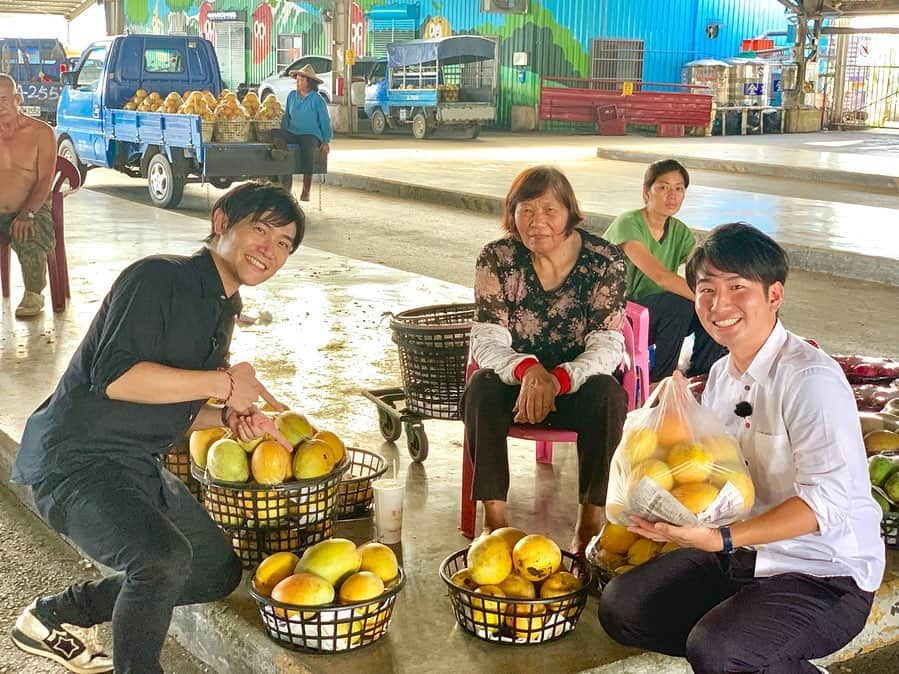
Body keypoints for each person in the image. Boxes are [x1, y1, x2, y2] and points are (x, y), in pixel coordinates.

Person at [9, 182, 306, 674]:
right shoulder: (157, 279)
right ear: (220, 222)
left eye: (284, 244)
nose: (270, 250)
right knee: (161, 559)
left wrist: (229, 418)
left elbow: (177, 402)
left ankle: (53, 617)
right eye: (261, 229)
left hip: (133, 464)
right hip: (75, 461)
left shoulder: (223, 306)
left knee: (215, 570)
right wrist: (225, 382)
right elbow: (116, 378)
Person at [598, 223, 885, 674]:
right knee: (623, 609)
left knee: (717, 649)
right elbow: (717, 479)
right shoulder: (720, 378)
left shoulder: (809, 380)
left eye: (737, 287)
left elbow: (826, 502)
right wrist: (672, 515)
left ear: (774, 295)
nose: (719, 304)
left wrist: (721, 538)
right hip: (740, 557)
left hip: (824, 572)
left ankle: (749, 657)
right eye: (706, 289)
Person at [461, 166, 629, 553]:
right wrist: (529, 371)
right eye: (526, 210)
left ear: (569, 211)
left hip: (576, 388)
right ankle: (496, 522)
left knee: (609, 395)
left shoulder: (604, 260)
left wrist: (561, 379)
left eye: (549, 210)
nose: (538, 222)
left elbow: (608, 342)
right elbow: (486, 338)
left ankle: (590, 522)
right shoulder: (497, 258)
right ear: (512, 214)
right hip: (514, 390)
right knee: (480, 388)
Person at [604, 159, 725, 382]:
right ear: (646, 193)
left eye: (679, 189)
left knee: (712, 311)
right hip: (619, 314)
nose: (672, 195)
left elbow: (703, 268)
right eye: (663, 187)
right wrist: (707, 297)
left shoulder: (679, 231)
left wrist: (722, 295)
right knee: (680, 303)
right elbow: (661, 277)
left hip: (653, 315)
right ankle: (660, 381)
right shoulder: (628, 223)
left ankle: (701, 375)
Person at [0, 72, 57, 318]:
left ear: (18, 98)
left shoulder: (41, 133)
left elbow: (45, 179)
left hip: (31, 208)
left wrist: (28, 212)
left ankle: (34, 294)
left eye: (3, 99)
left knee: (29, 233)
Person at [272, 64, 332, 202]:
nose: (297, 82)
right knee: (275, 133)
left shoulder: (317, 100)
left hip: (311, 134)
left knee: (308, 151)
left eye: (301, 80)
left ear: (309, 82)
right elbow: (287, 116)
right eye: (297, 80)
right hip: (293, 132)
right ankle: (284, 155)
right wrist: (282, 132)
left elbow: (324, 121)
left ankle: (306, 191)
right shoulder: (292, 96)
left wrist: (325, 141)